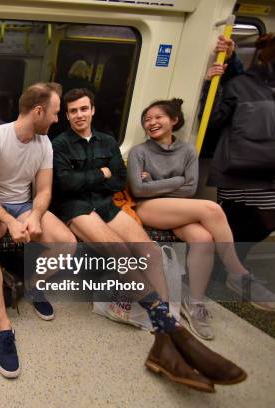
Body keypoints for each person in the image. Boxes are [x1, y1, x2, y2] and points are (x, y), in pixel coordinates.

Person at [51, 88, 246, 392]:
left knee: (150, 251)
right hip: (75, 209)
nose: (78, 115)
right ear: (66, 115)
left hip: (106, 205)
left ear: (92, 110)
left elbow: (117, 179)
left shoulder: (107, 141)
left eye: (83, 109)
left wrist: (99, 176)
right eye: (72, 111)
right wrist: (99, 174)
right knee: (118, 250)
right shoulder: (59, 144)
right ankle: (170, 331)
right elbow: (65, 184)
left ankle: (166, 329)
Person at [127, 98, 272, 341]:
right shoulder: (139, 152)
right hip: (147, 207)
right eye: (147, 120)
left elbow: (190, 188)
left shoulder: (187, 151)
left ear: (174, 120)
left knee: (203, 237)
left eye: (157, 117)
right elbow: (139, 190)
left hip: (177, 208)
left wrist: (155, 183)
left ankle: (194, 305)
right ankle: (237, 273)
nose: (151, 122)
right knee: (212, 209)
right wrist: (176, 181)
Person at [0, 82, 77, 379]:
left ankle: (32, 284)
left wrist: (36, 216)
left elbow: (43, 191)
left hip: (24, 205)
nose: (57, 120)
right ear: (38, 111)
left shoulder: (45, 145)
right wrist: (10, 220)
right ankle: (4, 328)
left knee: (67, 243)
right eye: (55, 113)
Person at [207, 33, 275, 274]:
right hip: (240, 165)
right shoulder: (243, 82)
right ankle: (222, 268)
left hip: (267, 165)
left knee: (261, 221)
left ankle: (229, 265)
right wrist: (213, 84)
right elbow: (214, 118)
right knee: (239, 219)